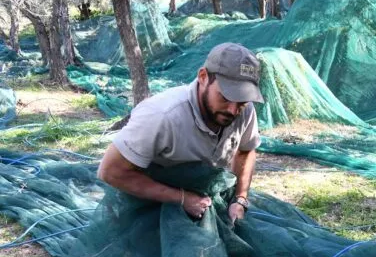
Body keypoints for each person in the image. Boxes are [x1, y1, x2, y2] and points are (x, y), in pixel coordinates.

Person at [97, 42, 264, 224]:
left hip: (207, 196)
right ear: (203, 77)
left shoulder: (245, 111)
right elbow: (110, 171)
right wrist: (182, 199)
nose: (233, 110)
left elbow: (246, 151)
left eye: (242, 100)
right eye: (225, 97)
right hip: (149, 203)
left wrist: (240, 199)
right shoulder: (161, 115)